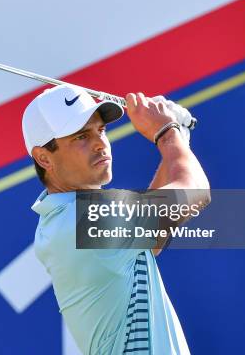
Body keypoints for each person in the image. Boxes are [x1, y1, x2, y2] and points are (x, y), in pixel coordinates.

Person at [22, 83, 210, 354]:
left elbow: (150, 240)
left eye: (101, 130)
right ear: (43, 158)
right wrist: (167, 134)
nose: (100, 143)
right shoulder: (85, 221)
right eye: (81, 137)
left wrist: (179, 137)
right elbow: (195, 192)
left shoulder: (64, 218)